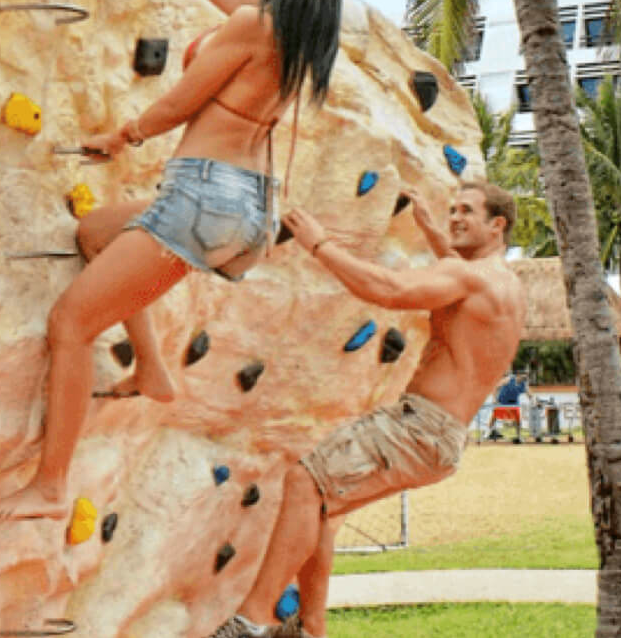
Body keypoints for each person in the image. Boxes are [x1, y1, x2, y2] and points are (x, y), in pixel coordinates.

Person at [0, 0, 342, 520]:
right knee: (95, 232)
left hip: (203, 195)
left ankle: (50, 485)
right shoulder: (299, 34)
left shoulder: (257, 23)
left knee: (70, 325)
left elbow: (182, 103)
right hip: (246, 207)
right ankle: (152, 369)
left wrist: (121, 138)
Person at [205, 182, 527, 638]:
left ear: (498, 225)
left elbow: (389, 289)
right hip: (442, 438)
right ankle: (310, 627)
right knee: (324, 510)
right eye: (452, 208)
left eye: (467, 212)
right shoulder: (503, 284)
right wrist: (433, 230)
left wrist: (318, 242)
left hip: (419, 426)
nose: (455, 217)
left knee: (304, 480)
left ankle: (251, 621)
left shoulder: (470, 278)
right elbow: (457, 276)